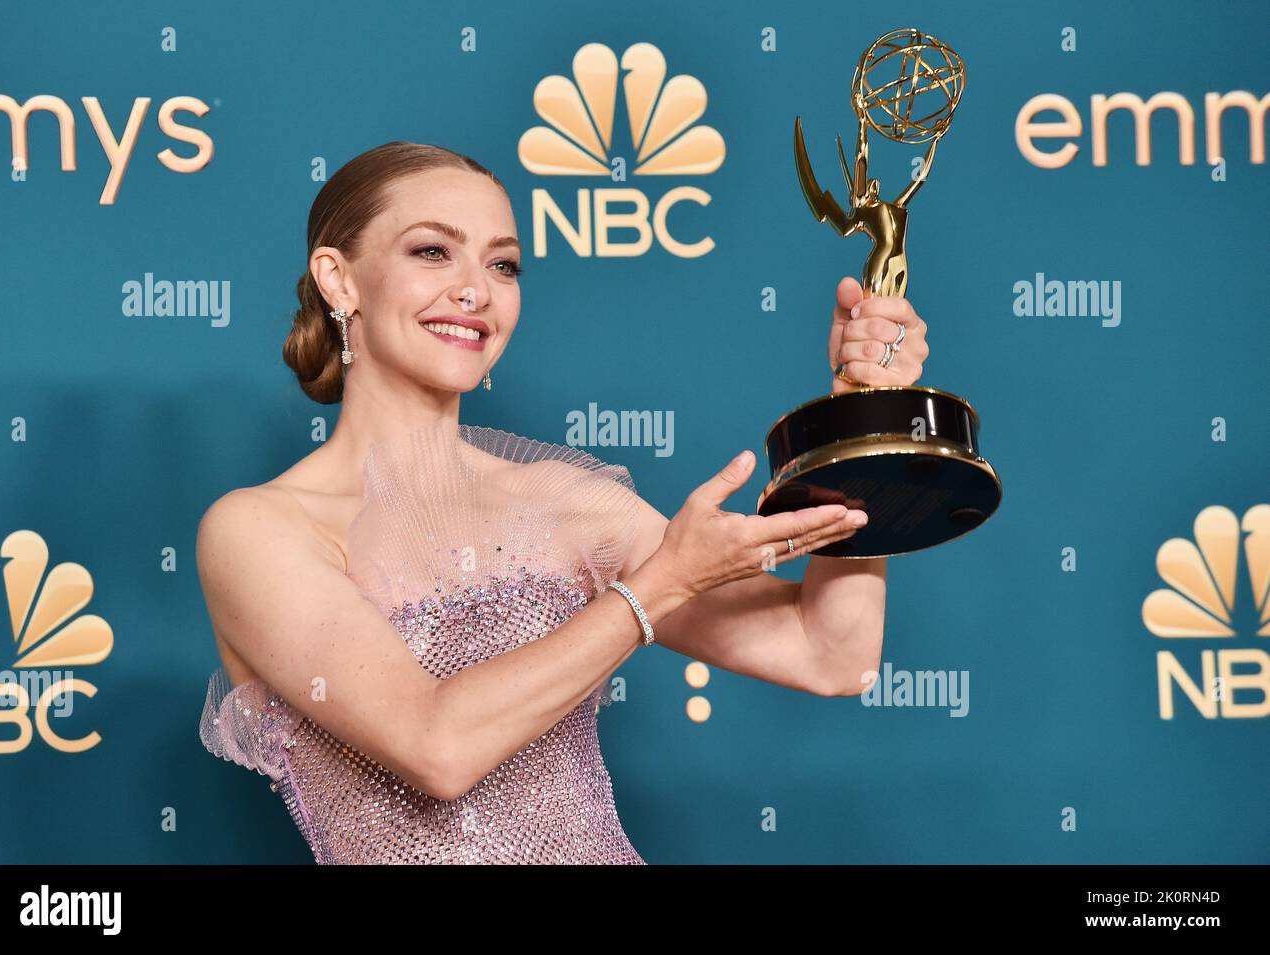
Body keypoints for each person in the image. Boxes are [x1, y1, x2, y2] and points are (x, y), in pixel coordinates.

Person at [195, 141, 930, 864]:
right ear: (339, 278)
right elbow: (436, 747)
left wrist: (864, 417)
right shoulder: (259, 530)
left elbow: (831, 655)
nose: (475, 291)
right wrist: (658, 586)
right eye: (431, 252)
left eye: (503, 264)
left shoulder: (563, 503)